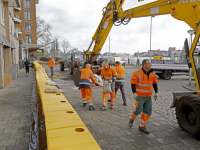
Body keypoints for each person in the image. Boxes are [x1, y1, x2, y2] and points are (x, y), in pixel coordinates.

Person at [129, 59, 158, 134]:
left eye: (150, 63)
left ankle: (142, 126)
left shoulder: (153, 73)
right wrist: (134, 93)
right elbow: (133, 83)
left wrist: (156, 92)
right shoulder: (137, 73)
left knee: (148, 111)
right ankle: (132, 119)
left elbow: (155, 83)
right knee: (138, 110)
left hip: (148, 96)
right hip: (140, 96)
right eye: (149, 63)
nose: (150, 65)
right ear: (144, 65)